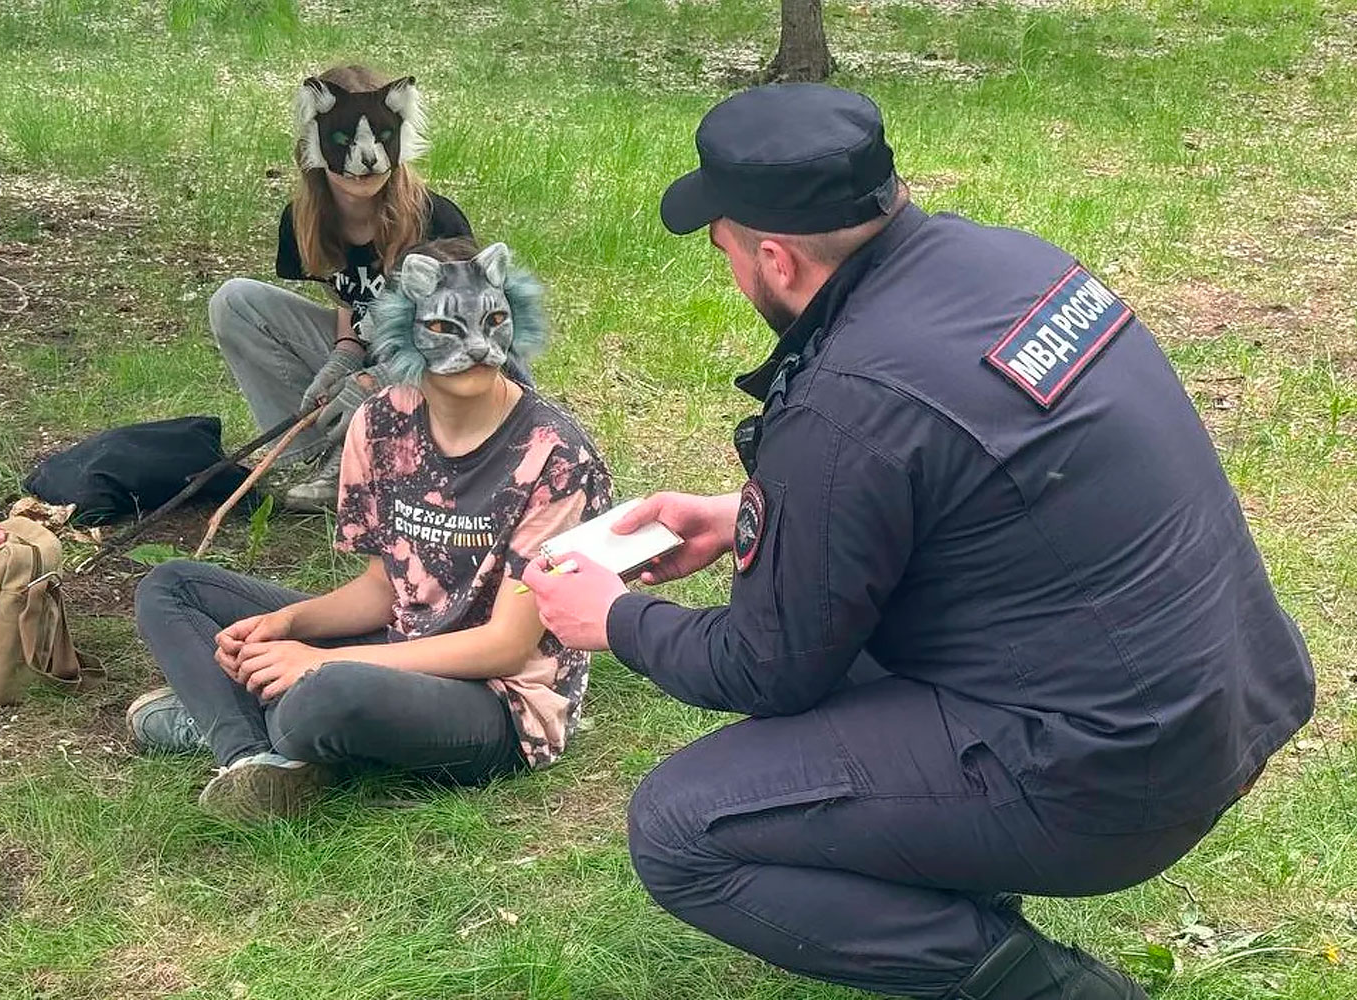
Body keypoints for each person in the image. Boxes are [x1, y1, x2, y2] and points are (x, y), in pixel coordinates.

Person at [523, 84, 1315, 1000]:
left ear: (775, 260)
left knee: (682, 829)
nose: (732, 271)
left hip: (1116, 778)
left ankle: (1056, 991)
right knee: (841, 673)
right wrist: (739, 511)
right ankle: (953, 870)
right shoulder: (1013, 266)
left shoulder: (849, 401)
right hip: (1229, 692)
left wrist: (615, 618)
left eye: (725, 251)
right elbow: (968, 478)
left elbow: (766, 668)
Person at [132, 237, 613, 823]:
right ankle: (255, 760)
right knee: (172, 586)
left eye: (492, 321)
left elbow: (507, 646)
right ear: (404, 330)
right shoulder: (381, 422)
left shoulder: (557, 455)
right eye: (445, 326)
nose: (479, 347)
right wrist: (290, 623)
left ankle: (227, 723)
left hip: (498, 700)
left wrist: (314, 663)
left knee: (327, 696)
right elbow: (385, 590)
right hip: (401, 644)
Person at [209, 64, 476, 512]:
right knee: (235, 302)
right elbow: (352, 299)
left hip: (436, 372)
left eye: (378, 141)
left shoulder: (437, 219)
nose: (364, 161)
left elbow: (467, 339)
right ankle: (317, 451)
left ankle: (368, 464)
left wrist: (379, 378)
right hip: (374, 355)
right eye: (343, 141)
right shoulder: (305, 221)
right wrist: (345, 353)